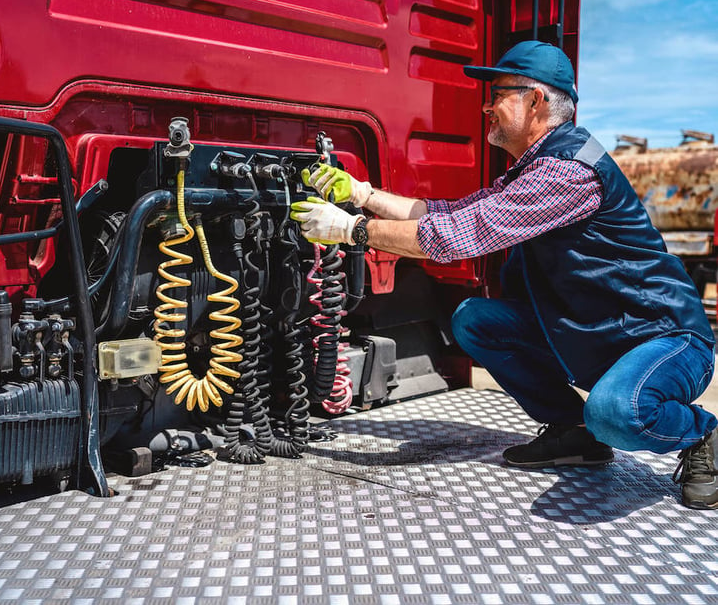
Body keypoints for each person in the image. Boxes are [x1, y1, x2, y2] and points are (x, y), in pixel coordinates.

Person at [290, 40, 718, 510]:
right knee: (476, 318)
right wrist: (365, 194)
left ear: (536, 100)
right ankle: (574, 434)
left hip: (663, 340)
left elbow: (455, 236)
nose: (486, 105)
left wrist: (353, 230)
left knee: (618, 414)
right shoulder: (535, 167)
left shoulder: (566, 171)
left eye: (498, 93)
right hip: (597, 333)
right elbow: (448, 212)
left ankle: (703, 436)